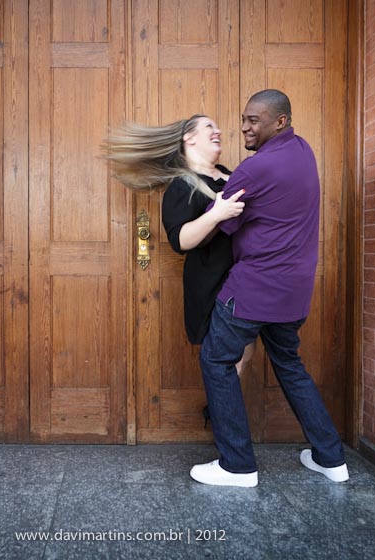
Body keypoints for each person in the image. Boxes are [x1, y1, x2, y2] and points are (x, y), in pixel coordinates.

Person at [189, 90, 348, 488]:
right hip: (294, 292)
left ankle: (237, 466)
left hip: (253, 288)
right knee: (290, 367)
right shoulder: (303, 151)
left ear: (280, 122)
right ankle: (331, 459)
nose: (245, 126)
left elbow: (217, 221)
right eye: (244, 118)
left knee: (216, 360)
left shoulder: (254, 168)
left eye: (254, 120)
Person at [102, 115, 255, 421]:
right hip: (212, 285)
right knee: (228, 358)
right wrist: (217, 214)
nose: (219, 131)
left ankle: (224, 416)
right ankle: (227, 428)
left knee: (245, 354)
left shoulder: (232, 176)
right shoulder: (183, 186)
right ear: (189, 137)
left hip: (247, 281)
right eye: (209, 126)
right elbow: (181, 240)